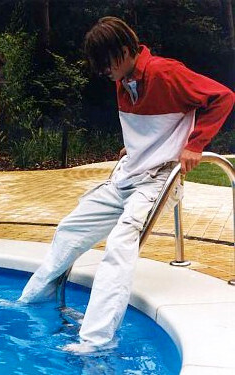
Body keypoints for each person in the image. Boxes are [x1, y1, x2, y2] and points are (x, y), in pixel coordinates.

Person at [18, 16, 234, 352]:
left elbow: (223, 97)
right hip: (129, 174)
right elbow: (149, 127)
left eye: (106, 64)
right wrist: (134, 148)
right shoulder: (123, 80)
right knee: (70, 227)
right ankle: (34, 300)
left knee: (118, 247)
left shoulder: (166, 73)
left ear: (123, 51)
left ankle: (94, 342)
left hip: (158, 180)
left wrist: (195, 143)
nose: (104, 72)